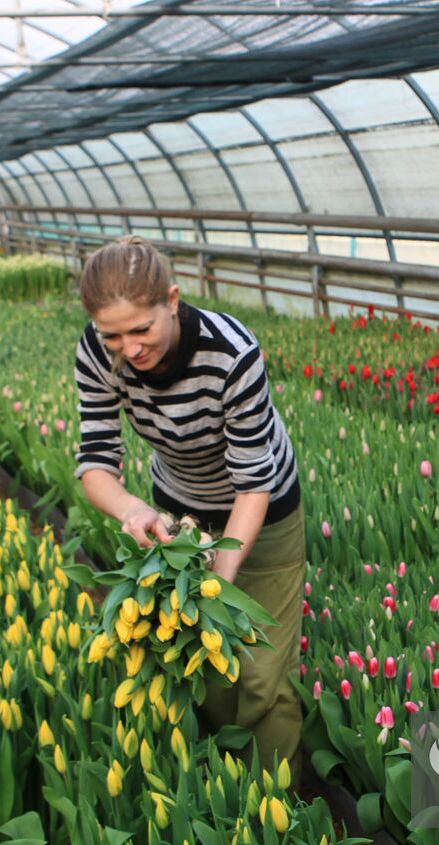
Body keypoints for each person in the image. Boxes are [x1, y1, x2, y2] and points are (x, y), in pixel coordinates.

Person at [73, 235, 304, 775]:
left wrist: (223, 568)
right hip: (180, 509)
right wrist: (134, 511)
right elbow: (96, 461)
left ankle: (276, 797)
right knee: (206, 655)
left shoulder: (231, 352)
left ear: (171, 300)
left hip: (262, 507)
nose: (129, 348)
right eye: (113, 335)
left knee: (261, 668)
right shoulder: (97, 351)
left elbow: (252, 483)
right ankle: (226, 781)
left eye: (141, 329)